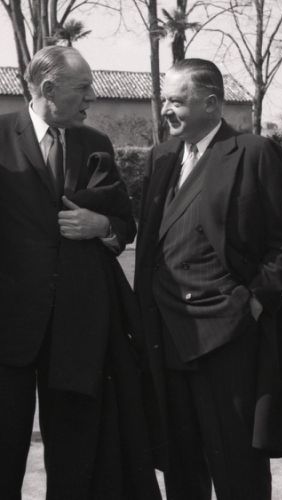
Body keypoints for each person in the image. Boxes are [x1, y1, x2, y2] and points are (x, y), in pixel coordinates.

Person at [0, 46, 160, 499]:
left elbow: (125, 223)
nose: (92, 97)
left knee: (76, 458)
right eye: (83, 88)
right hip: (7, 330)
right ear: (49, 89)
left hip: (76, 331)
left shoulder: (96, 143)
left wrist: (101, 226)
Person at [134, 58, 282, 500]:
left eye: (177, 101)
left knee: (237, 467)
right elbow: (150, 245)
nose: (166, 109)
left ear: (210, 103)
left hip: (228, 339)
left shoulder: (253, 152)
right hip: (166, 336)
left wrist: (254, 302)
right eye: (165, 100)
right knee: (181, 467)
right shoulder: (162, 157)